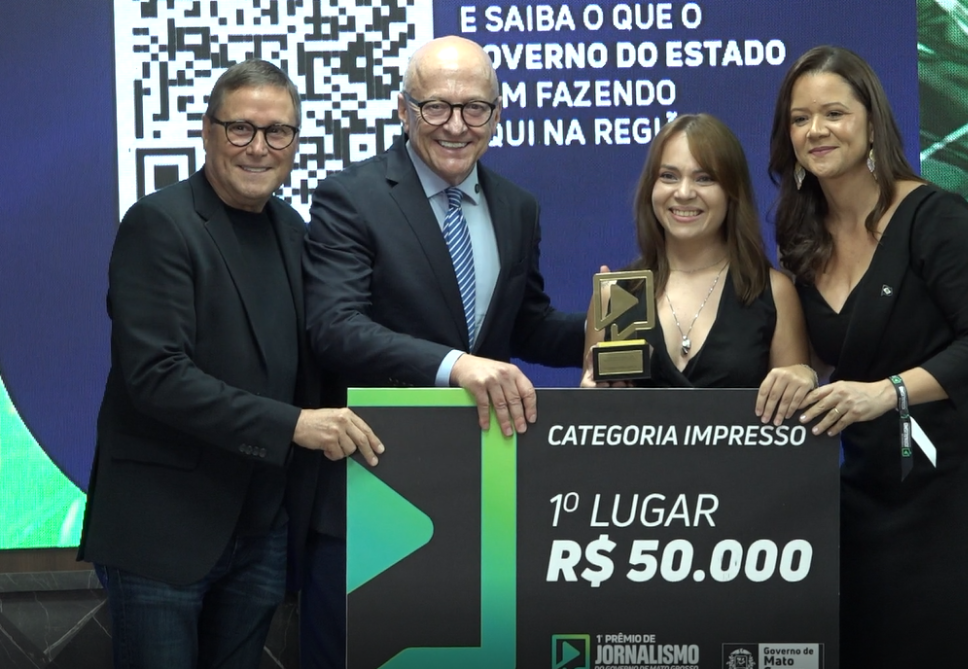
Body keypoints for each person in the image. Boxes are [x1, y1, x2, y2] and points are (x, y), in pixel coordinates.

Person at [77, 59, 383, 669]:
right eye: (241, 128)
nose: (259, 148)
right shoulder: (159, 223)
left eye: (278, 132)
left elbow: (322, 351)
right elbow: (157, 376)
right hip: (162, 532)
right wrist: (295, 425)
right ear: (207, 131)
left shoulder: (292, 230)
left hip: (260, 531)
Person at [301, 35, 585, 667]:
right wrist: (454, 366)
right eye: (436, 107)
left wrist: (608, 331)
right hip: (374, 490)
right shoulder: (352, 196)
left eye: (474, 108)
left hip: (479, 494)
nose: (456, 125)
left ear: (497, 115)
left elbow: (525, 326)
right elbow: (335, 327)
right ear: (404, 111)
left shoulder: (517, 207)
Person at [768, 45, 968, 666]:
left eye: (834, 113)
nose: (816, 130)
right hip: (864, 490)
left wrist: (888, 392)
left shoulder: (934, 214)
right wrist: (801, 368)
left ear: (872, 122)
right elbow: (833, 349)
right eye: (800, 118)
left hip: (956, 486)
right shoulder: (799, 233)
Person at [582, 113, 816, 425]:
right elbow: (593, 432)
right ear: (651, 187)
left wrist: (805, 376)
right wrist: (589, 401)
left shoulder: (774, 292)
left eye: (704, 178)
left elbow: (794, 431)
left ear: (732, 192)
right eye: (669, 176)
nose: (683, 192)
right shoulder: (614, 295)